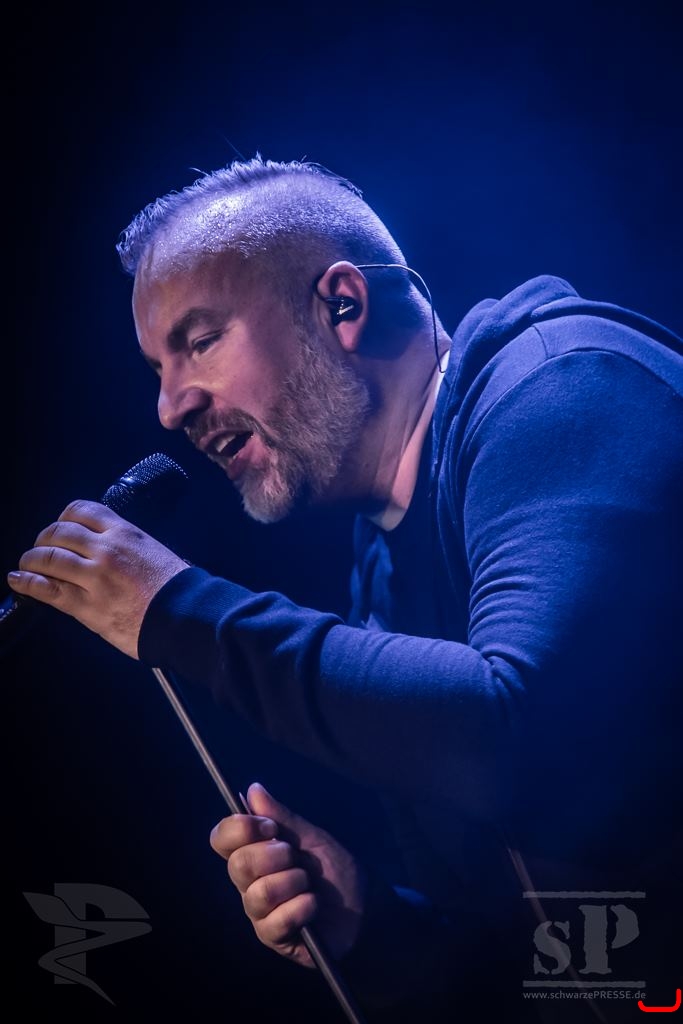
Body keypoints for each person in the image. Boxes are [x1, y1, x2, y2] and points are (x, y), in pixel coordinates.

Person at [8, 156, 683, 1021]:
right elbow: (550, 955)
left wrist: (180, 612)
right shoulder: (383, 567)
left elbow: (530, 743)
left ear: (341, 305)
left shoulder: (566, 389)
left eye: (200, 341)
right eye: (156, 369)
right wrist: (367, 926)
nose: (170, 408)